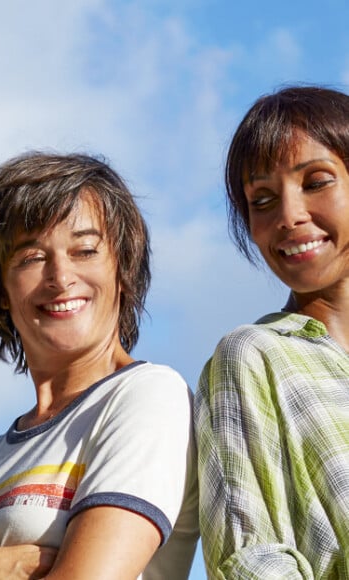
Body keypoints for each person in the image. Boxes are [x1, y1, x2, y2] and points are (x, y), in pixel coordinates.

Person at [0, 152, 199, 580]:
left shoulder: (147, 396)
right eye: (31, 258)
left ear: (122, 267)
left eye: (85, 250)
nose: (61, 276)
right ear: (1, 290)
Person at [195, 85, 349, 579]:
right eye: (262, 199)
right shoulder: (253, 357)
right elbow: (251, 557)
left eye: (317, 181)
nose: (289, 216)